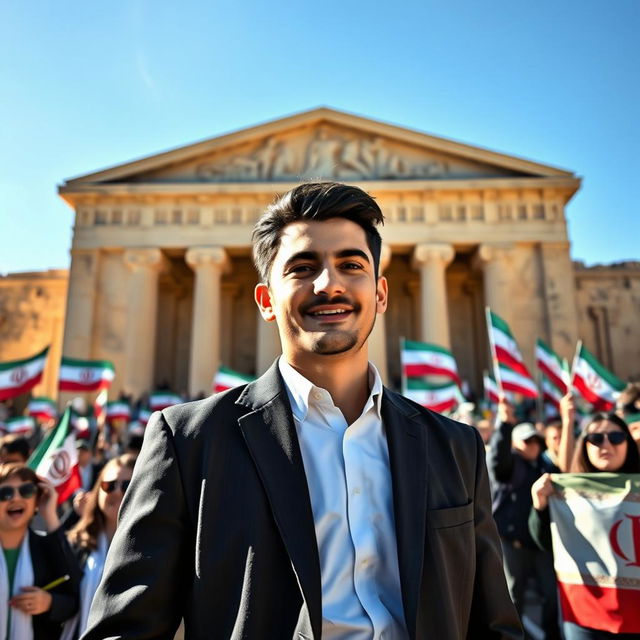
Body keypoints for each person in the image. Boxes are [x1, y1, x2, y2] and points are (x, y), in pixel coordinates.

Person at [84, 182, 521, 639]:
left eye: (351, 265)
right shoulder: (190, 441)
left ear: (381, 293)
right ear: (267, 301)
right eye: (303, 267)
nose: (329, 284)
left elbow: (491, 623)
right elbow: (124, 629)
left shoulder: (453, 446)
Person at [530, 413, 640, 639]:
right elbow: (545, 543)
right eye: (597, 438)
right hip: (585, 612)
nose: (606, 444)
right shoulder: (565, 492)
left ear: (628, 443)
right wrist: (540, 508)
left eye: (616, 437)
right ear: (585, 445)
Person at [487, 399, 560, 640]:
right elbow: (498, 462)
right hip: (513, 544)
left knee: (551, 594)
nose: (534, 445)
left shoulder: (546, 465)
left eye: (536, 440)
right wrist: (505, 426)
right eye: (527, 441)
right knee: (513, 598)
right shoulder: (510, 466)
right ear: (515, 445)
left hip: (540, 544)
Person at [0, 463, 80, 639]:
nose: (15, 498)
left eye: (26, 491)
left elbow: (74, 599)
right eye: (5, 493)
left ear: (37, 499)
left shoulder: (47, 547)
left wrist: (49, 602)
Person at [61, 454, 135, 639]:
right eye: (108, 485)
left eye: (127, 485)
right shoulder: (75, 542)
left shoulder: (157, 546)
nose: (117, 492)